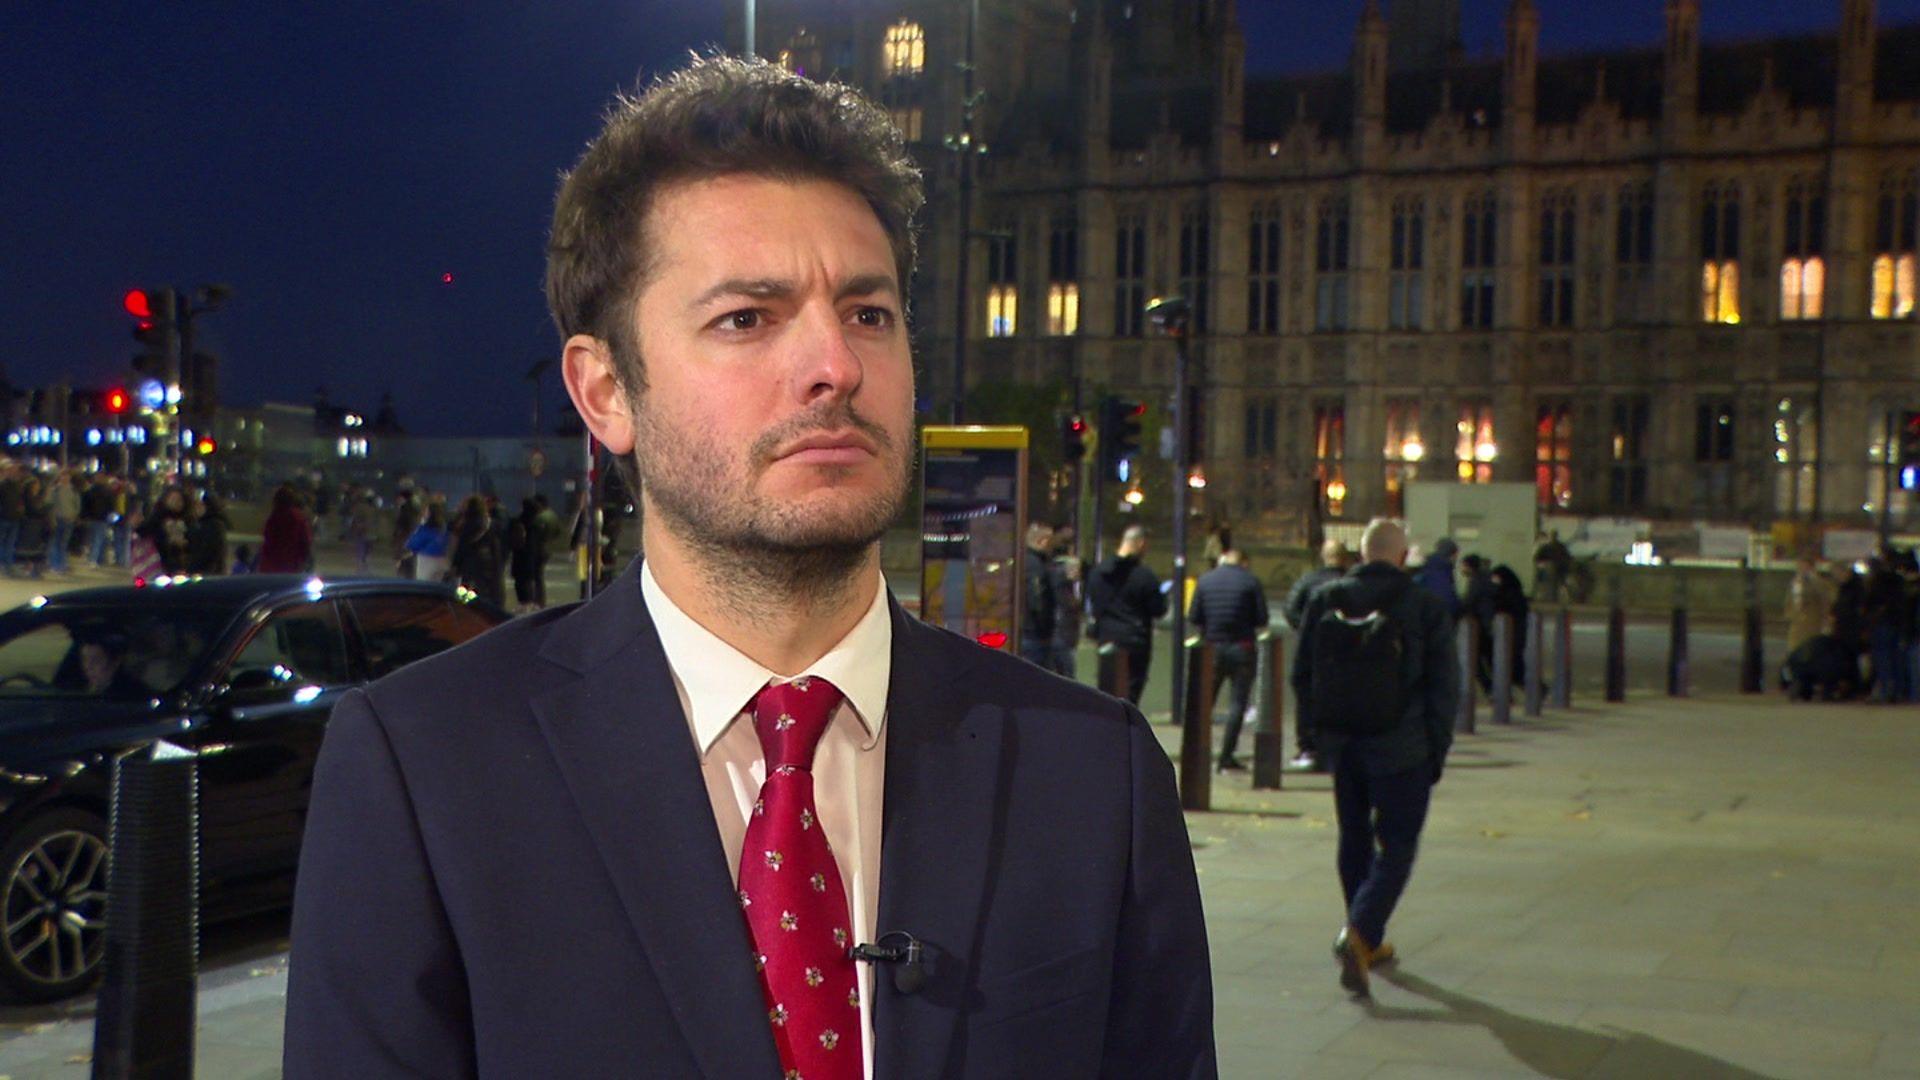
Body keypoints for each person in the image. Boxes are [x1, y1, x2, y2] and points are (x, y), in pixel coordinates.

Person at [284, 54, 1213, 1080]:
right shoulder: (425, 767)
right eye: (746, 318)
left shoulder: (1094, 771)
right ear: (605, 393)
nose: (837, 365)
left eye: (869, 313)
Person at [1289, 518, 1455, 998]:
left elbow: (1303, 675)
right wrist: (1436, 748)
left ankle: (1366, 940)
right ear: (1403, 558)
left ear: (1361, 555)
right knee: (1398, 846)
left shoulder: (1327, 598)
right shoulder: (1423, 605)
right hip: (1403, 747)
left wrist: (1314, 737)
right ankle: (1358, 933)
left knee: (1354, 838)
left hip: (1345, 744)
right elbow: (1445, 686)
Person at [1188, 549, 1270, 772]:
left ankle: (1197, 751)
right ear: (1244, 562)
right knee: (1237, 703)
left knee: (1206, 702)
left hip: (1212, 647)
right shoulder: (1251, 582)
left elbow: (1194, 616)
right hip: (1242, 647)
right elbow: (1262, 618)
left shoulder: (1205, 581)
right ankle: (1226, 756)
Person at [1283, 538, 1354, 770]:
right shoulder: (1351, 582)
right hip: (1344, 651)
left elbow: (1290, 608)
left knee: (1307, 698)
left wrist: (1303, 629)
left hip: (1312, 649)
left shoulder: (1308, 581)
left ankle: (1308, 746)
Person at [1089, 524, 1169, 707]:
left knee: (1106, 695)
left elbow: (1094, 603)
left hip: (1107, 639)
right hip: (1135, 640)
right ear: (1140, 544)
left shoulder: (1099, 573)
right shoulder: (1144, 576)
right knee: (1131, 695)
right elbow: (1158, 608)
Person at [449, 494, 506, 607]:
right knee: (486, 590)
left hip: (470, 563)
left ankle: (467, 609)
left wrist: (455, 564)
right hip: (487, 562)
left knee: (467, 590)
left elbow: (462, 546)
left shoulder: (465, 524)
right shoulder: (491, 523)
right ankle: (487, 610)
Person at [1018, 521, 1058, 670]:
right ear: (1043, 541)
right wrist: (1044, 627)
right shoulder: (1036, 565)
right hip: (1034, 633)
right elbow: (1037, 599)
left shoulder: (1023, 560)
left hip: (1028, 630)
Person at [1049, 524, 1085, 678]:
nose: (1078, 572)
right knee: (1067, 673)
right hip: (1061, 634)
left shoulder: (1065, 585)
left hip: (1063, 634)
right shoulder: (1062, 586)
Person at [256, 485, 314, 573]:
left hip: (272, 565)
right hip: (292, 564)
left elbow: (268, 540)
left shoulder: (273, 517)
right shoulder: (298, 518)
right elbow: (305, 541)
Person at [1786, 554, 1835, 655]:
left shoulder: (1820, 583)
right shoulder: (1796, 583)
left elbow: (1826, 600)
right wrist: (1791, 614)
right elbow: (1790, 602)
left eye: (1804, 567)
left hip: (1813, 625)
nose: (1801, 570)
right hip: (1797, 626)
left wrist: (1814, 579)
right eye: (1799, 567)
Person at [1413, 536, 1461, 621]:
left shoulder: (1426, 567)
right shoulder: (1443, 569)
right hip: (1437, 621)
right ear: (1452, 554)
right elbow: (1447, 599)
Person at [405, 501, 452, 583]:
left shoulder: (425, 529)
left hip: (426, 561)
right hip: (442, 561)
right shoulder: (444, 530)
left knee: (424, 587)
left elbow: (412, 544)